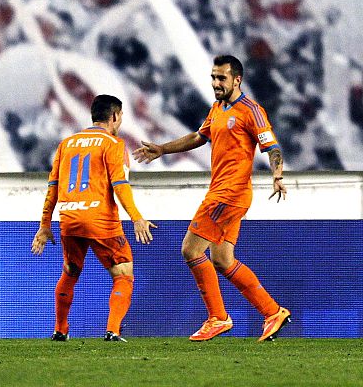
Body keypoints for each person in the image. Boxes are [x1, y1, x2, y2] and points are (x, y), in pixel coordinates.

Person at [133, 54, 290, 342]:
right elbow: (199, 137)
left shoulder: (252, 111)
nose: (216, 83)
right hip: (225, 192)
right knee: (222, 259)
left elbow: (272, 147)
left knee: (191, 250)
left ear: (237, 80)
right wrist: (163, 149)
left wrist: (277, 176)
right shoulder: (217, 108)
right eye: (214, 77)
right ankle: (272, 312)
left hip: (229, 194)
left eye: (221, 78)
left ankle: (218, 317)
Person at [32, 94, 157, 342]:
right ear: (115, 116)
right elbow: (120, 184)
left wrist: (45, 225)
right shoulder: (114, 144)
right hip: (101, 220)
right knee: (123, 273)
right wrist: (137, 218)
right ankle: (112, 330)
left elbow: (53, 187)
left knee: (70, 272)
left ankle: (60, 329)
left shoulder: (66, 144)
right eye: (121, 116)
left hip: (69, 218)